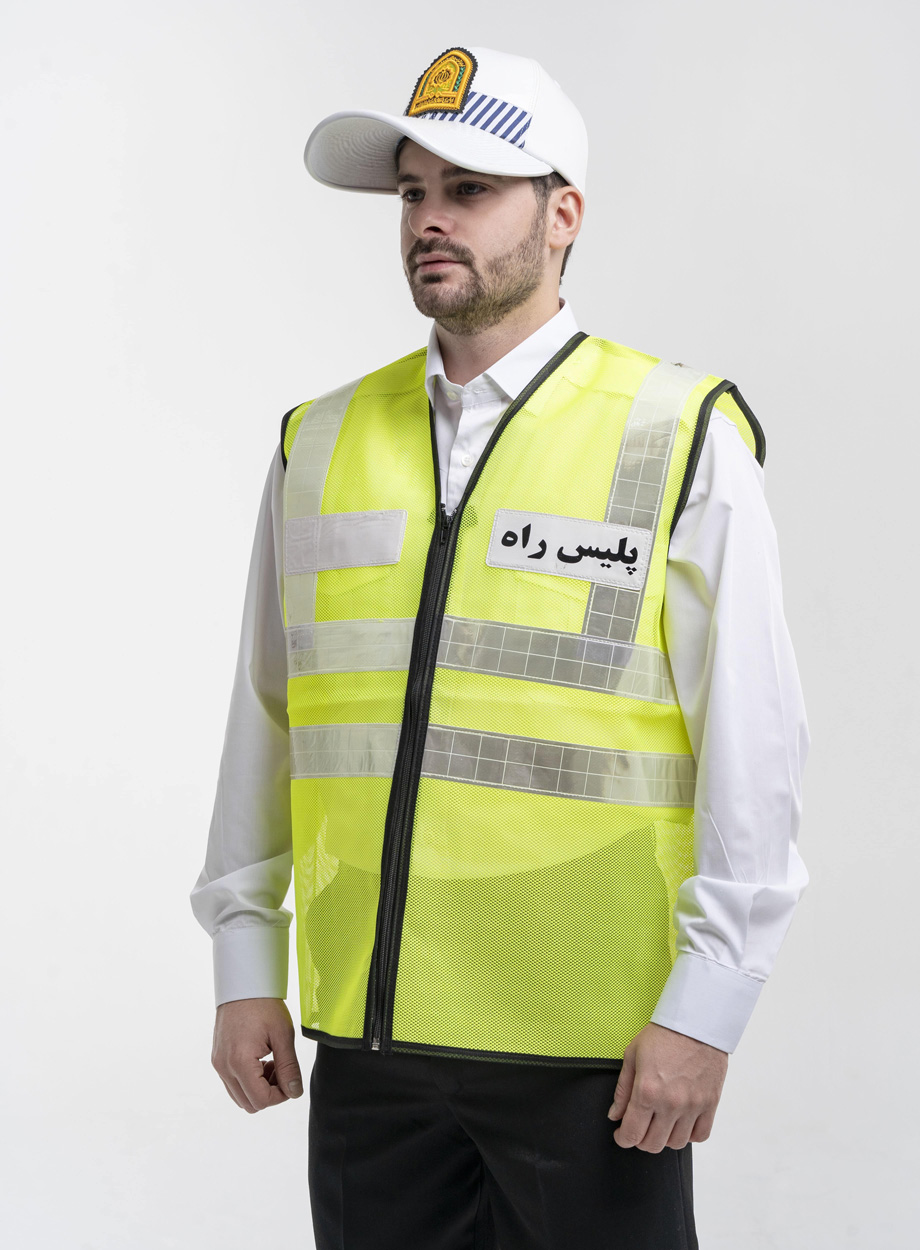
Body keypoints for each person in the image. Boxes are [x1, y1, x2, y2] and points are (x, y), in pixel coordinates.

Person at [190, 44, 809, 1250]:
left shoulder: (675, 430)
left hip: (593, 1049)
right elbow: (268, 715)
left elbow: (755, 739)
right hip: (368, 1042)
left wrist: (708, 1003)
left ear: (562, 214)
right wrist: (243, 956)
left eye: (469, 189)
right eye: (413, 192)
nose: (429, 219)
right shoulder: (319, 438)